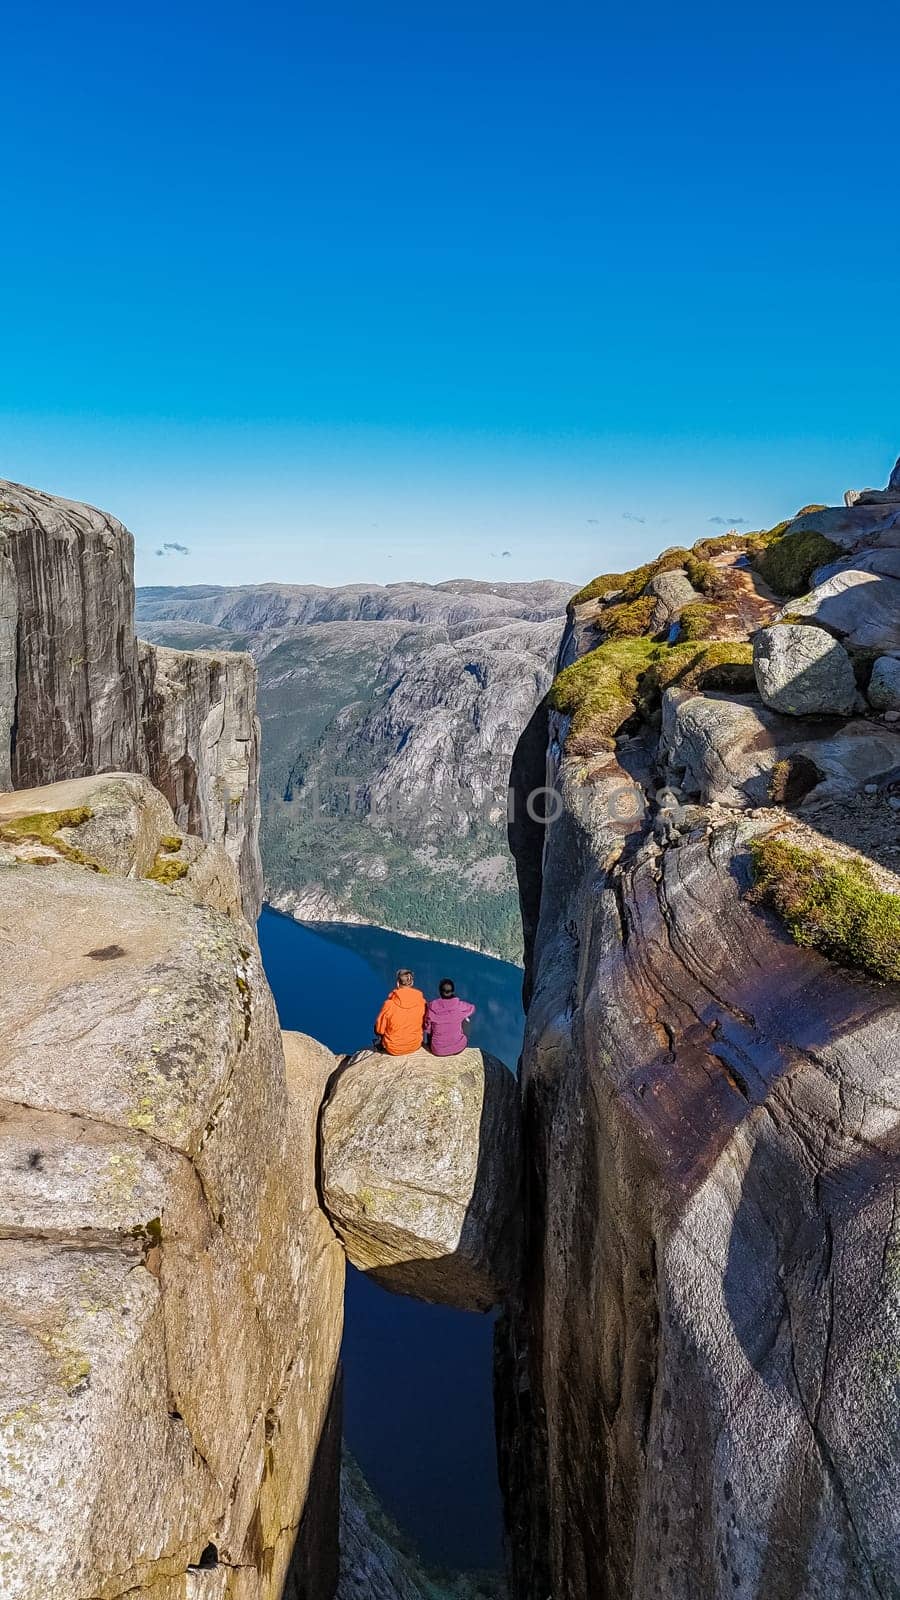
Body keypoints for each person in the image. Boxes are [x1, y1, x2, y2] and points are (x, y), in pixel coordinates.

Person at [374, 969, 427, 1056]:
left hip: (394, 1048)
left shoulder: (389, 1005)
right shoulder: (422, 1002)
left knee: (378, 1024)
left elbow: (380, 1029)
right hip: (415, 1045)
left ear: (398, 983)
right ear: (412, 982)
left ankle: (380, 1045)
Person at [425, 979, 475, 1057]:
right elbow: (472, 1008)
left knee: (430, 1024)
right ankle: (458, 1038)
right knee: (465, 1018)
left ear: (440, 992)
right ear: (453, 991)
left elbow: (427, 1028)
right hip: (458, 1047)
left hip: (438, 1050)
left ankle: (430, 1045)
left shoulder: (432, 1007)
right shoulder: (458, 1005)